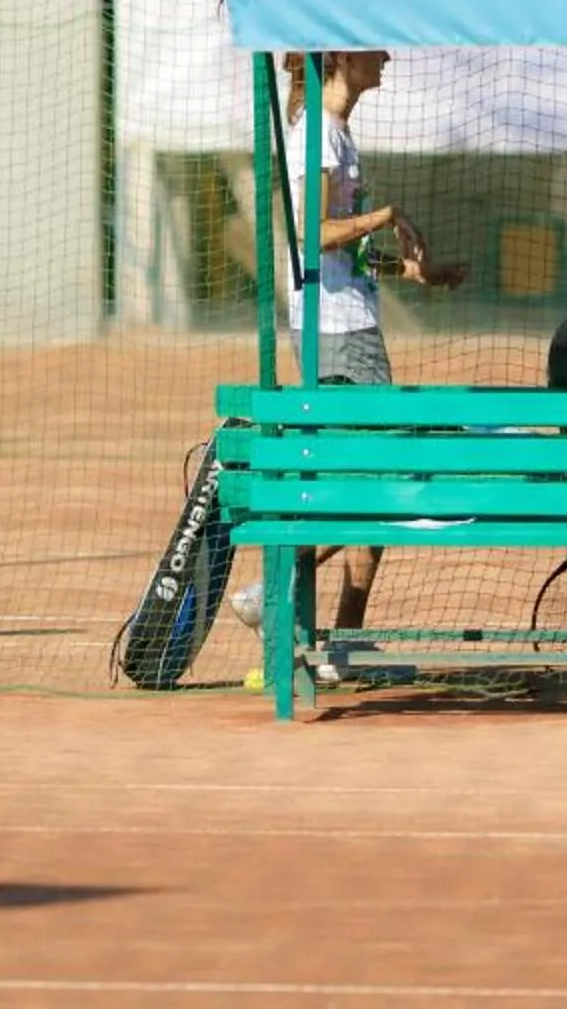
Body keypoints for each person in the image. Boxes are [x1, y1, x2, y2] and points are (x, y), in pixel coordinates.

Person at [227, 51, 465, 685]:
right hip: (338, 336)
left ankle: (344, 641)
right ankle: (269, 589)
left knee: (375, 485)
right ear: (339, 60)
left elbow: (340, 254)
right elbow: (314, 234)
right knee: (382, 484)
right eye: (373, 47)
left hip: (347, 325)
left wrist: (410, 272)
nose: (385, 56)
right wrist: (388, 215)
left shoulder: (336, 132)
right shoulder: (322, 134)